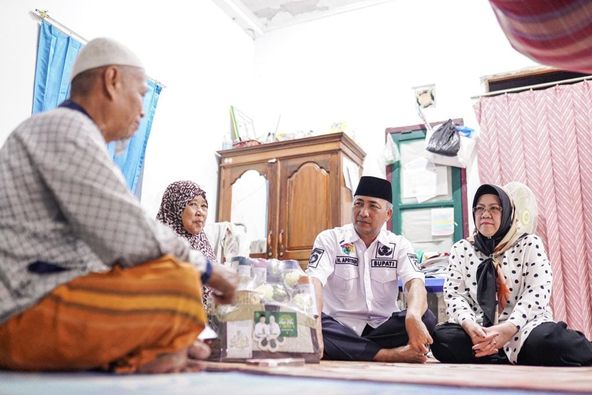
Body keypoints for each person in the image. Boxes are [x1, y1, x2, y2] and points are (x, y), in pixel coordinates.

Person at [0, 37, 237, 374]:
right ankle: (144, 351)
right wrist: (212, 272)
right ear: (111, 80)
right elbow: (132, 236)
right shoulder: (65, 128)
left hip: (42, 300)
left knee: (173, 283)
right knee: (181, 283)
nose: (142, 109)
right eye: (140, 93)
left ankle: (142, 353)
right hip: (21, 311)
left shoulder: (67, 132)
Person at [431, 184, 592, 366]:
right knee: (441, 339)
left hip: (523, 329)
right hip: (479, 331)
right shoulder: (461, 249)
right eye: (480, 208)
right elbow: (455, 296)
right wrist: (470, 326)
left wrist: (508, 328)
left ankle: (493, 353)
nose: (485, 214)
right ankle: (496, 351)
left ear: (507, 212)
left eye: (494, 208)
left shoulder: (529, 244)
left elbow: (537, 292)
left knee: (552, 341)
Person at [306, 175, 436, 363]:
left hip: (382, 327)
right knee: (314, 323)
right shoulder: (330, 239)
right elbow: (314, 282)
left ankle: (349, 349)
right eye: (358, 204)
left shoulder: (398, 244)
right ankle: (389, 355)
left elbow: (415, 283)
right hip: (339, 326)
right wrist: (315, 326)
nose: (363, 212)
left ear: (388, 214)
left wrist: (413, 316)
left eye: (373, 206)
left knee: (427, 318)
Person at [156, 180, 217, 310]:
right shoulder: (160, 245)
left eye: (204, 206)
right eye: (192, 204)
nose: (200, 212)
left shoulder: (203, 245)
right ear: (175, 208)